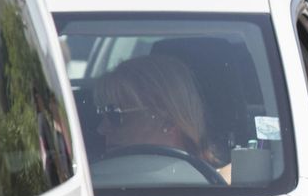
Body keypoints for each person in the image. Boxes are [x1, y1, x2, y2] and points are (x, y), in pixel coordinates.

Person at [92, 53, 229, 182]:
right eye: (101, 115)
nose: (101, 129)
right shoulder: (87, 187)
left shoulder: (229, 188)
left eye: (114, 115)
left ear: (167, 121)